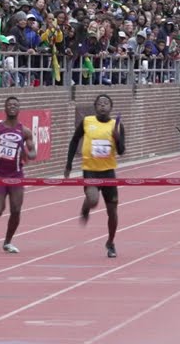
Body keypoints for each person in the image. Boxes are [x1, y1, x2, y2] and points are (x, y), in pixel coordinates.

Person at [64, 94, 125, 258]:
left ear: (110, 107)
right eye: (99, 104)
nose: (102, 106)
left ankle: (110, 242)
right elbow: (74, 141)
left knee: (112, 212)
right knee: (92, 200)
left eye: (106, 103)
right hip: (90, 169)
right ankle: (86, 207)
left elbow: (121, 151)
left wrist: (117, 139)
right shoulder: (87, 122)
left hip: (108, 172)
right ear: (95, 107)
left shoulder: (116, 125)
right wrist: (68, 164)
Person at [0, 96, 36, 253]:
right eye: (9, 104)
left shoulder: (25, 131)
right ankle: (0, 199)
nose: (12, 107)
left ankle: (8, 242)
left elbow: (32, 150)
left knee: (16, 210)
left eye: (15, 105)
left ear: (19, 109)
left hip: (16, 175)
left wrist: (30, 154)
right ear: (4, 108)